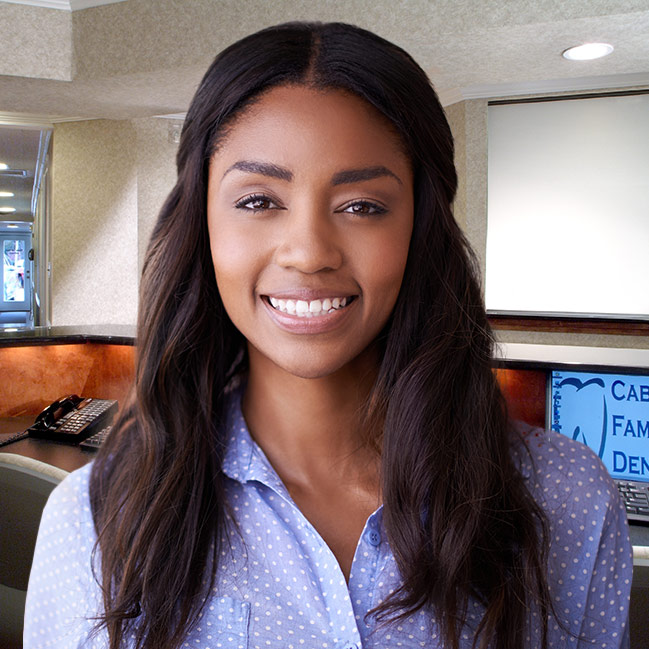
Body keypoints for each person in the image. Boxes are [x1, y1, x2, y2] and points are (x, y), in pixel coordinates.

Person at [24, 21, 632, 649]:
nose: (310, 253)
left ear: (419, 228)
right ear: (202, 223)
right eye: (259, 201)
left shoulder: (567, 500)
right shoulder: (94, 521)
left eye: (363, 205)